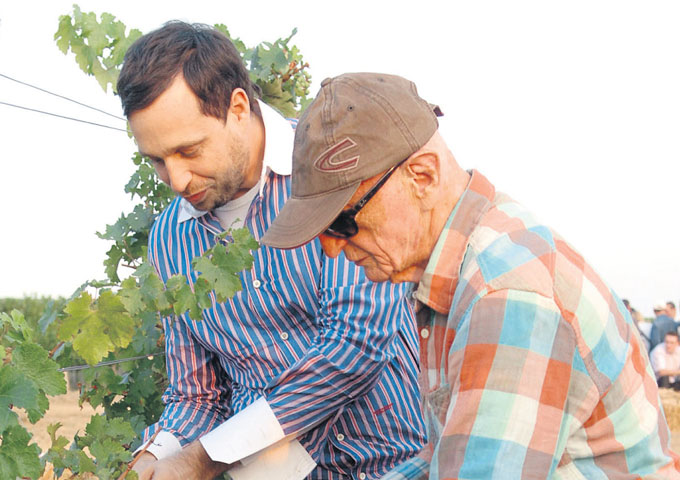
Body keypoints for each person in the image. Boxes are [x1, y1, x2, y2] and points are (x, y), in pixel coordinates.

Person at [261, 72, 680, 478]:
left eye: (342, 222)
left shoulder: (504, 295)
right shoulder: (461, 266)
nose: (331, 248)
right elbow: (447, 452)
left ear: (422, 176)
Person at [117, 24, 425, 479]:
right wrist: (154, 457)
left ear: (238, 108)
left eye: (189, 150)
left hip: (392, 467)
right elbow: (196, 395)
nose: (176, 179)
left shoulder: (333, 171)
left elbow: (354, 344)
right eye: (157, 160)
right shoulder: (169, 240)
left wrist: (204, 458)